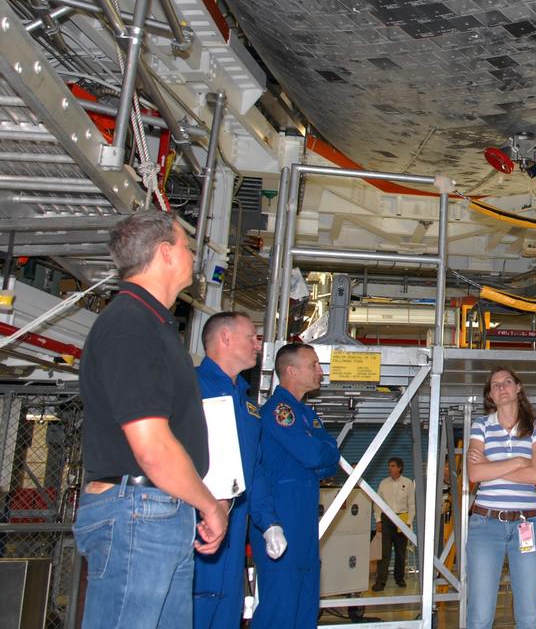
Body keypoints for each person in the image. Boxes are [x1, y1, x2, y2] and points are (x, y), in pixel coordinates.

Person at [74, 209, 228, 629]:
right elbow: (152, 448)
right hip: (139, 515)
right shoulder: (130, 325)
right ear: (165, 253)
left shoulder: (152, 323)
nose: (193, 256)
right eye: (186, 245)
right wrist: (209, 504)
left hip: (156, 512)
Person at [250, 343, 339, 629]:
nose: (320, 371)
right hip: (282, 520)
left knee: (305, 608)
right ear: (290, 370)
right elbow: (316, 454)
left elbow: (331, 459)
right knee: (280, 609)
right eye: (313, 364)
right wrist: (321, 452)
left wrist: (322, 452)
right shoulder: (279, 411)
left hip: (304, 524)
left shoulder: (306, 414)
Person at [194, 311, 272, 629]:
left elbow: (254, 468)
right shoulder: (192, 387)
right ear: (226, 338)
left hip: (234, 527)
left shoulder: (247, 402)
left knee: (228, 613)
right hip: (199, 524)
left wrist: (270, 522)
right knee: (195, 608)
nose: (258, 344)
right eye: (251, 336)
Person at [466, 367, 536, 629]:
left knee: (530, 616)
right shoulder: (480, 426)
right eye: (495, 385)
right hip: (485, 525)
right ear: (490, 396)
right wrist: (517, 461)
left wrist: (492, 464)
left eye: (507, 382)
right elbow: (474, 472)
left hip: (527, 525)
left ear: (518, 388)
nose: (501, 387)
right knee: (479, 616)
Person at [374, 456, 415, 591]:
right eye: (389, 466)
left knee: (400, 551)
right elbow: (377, 503)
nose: (389, 468)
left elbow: (411, 504)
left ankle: (400, 578)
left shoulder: (408, 483)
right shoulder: (383, 483)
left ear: (399, 468)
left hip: (402, 519)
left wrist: (409, 522)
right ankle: (381, 581)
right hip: (386, 519)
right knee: (384, 552)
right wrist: (378, 520)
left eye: (392, 466)